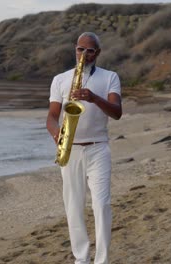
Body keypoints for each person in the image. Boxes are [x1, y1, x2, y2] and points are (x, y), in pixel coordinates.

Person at [46, 32, 122, 264]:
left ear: (97, 53)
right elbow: (51, 116)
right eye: (80, 49)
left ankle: (102, 261)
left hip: (99, 148)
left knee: (102, 205)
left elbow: (117, 112)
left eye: (90, 50)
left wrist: (94, 98)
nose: (84, 54)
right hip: (71, 150)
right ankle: (81, 259)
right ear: (75, 50)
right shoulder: (60, 79)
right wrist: (57, 134)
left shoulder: (110, 77)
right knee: (74, 207)